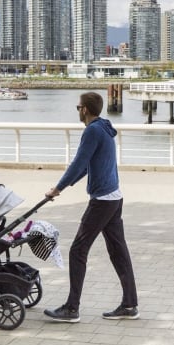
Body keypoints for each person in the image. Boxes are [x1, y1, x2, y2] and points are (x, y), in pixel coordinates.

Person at [43, 92, 139, 323]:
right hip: (114, 197)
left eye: (78, 107)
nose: (77, 111)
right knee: (118, 251)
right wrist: (66, 184)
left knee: (78, 250)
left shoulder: (92, 131)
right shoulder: (104, 129)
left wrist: (58, 188)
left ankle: (72, 308)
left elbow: (78, 162)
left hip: (103, 200)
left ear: (85, 109)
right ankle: (129, 305)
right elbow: (89, 165)